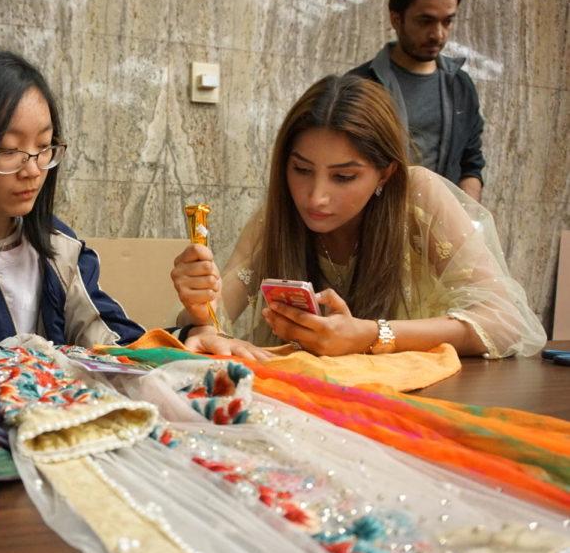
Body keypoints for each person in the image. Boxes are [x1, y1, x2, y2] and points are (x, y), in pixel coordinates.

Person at [0, 45, 264, 359]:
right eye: (8, 151)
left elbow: (114, 346)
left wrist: (187, 334)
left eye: (44, 148)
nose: (33, 169)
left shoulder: (56, 247)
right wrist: (42, 364)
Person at [171, 74, 545, 358]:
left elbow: (505, 321)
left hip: (422, 405)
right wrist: (199, 312)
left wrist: (370, 334)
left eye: (344, 177)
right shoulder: (278, 215)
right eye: (301, 170)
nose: (316, 197)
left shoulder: (418, 194)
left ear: (385, 173)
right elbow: (219, 314)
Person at [348, 0, 485, 202]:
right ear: (396, 19)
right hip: (376, 222)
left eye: (447, 21)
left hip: (440, 226)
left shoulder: (460, 86)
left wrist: (468, 217)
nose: (438, 34)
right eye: (425, 21)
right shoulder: (361, 86)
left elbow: (471, 163)